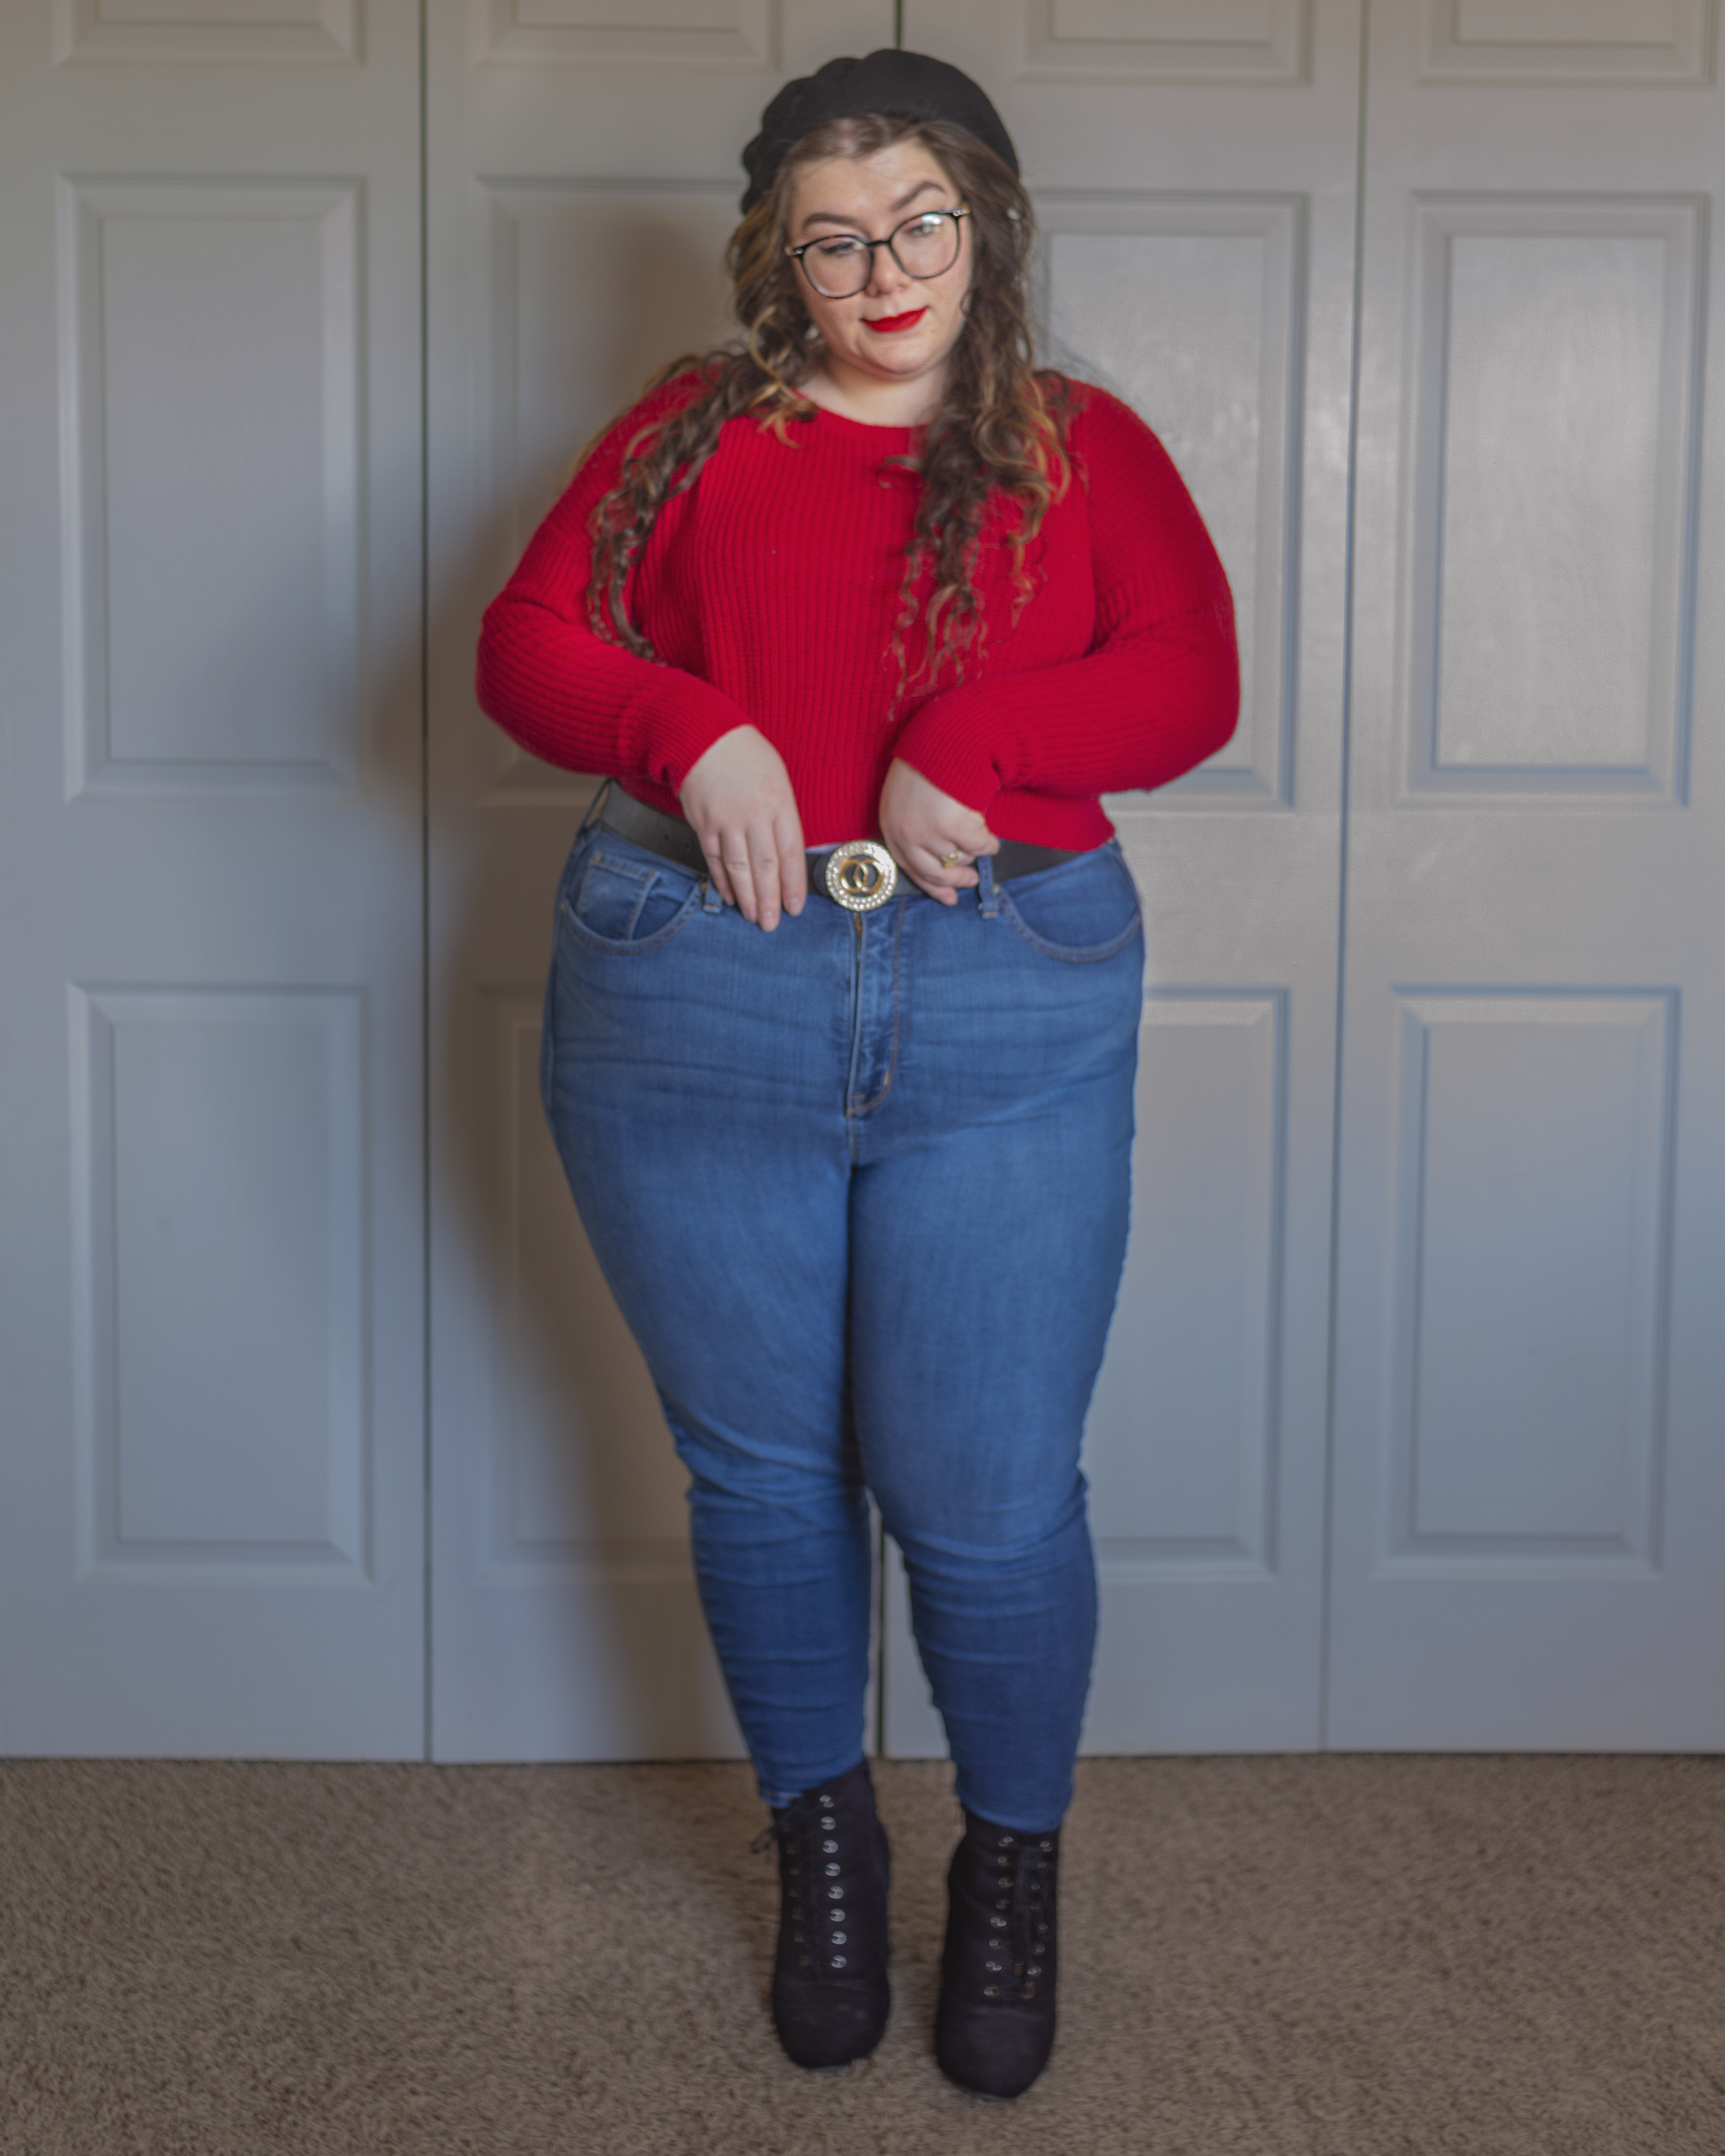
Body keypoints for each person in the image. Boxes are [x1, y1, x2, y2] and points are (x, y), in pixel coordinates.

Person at [476, 48, 1237, 2099]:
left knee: (986, 1502)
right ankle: (825, 1847)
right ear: (780, 260)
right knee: (762, 1472)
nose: (884, 270)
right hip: (697, 989)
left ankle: (1009, 1863)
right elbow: (526, 641)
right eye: (835, 238)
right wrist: (688, 726)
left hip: (1006, 1002)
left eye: (919, 222)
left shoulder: (1087, 448)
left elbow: (1189, 674)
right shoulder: (686, 435)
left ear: (983, 219)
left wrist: (971, 746)